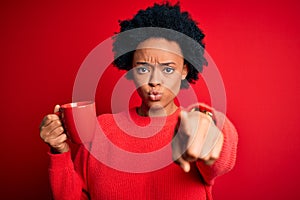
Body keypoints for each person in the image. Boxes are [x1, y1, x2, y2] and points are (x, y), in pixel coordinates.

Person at [40, 2, 238, 199]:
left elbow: (221, 157)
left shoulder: (191, 129)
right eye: (143, 68)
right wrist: (60, 152)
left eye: (168, 69)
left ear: (184, 71)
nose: (154, 81)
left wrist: (208, 122)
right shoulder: (100, 130)